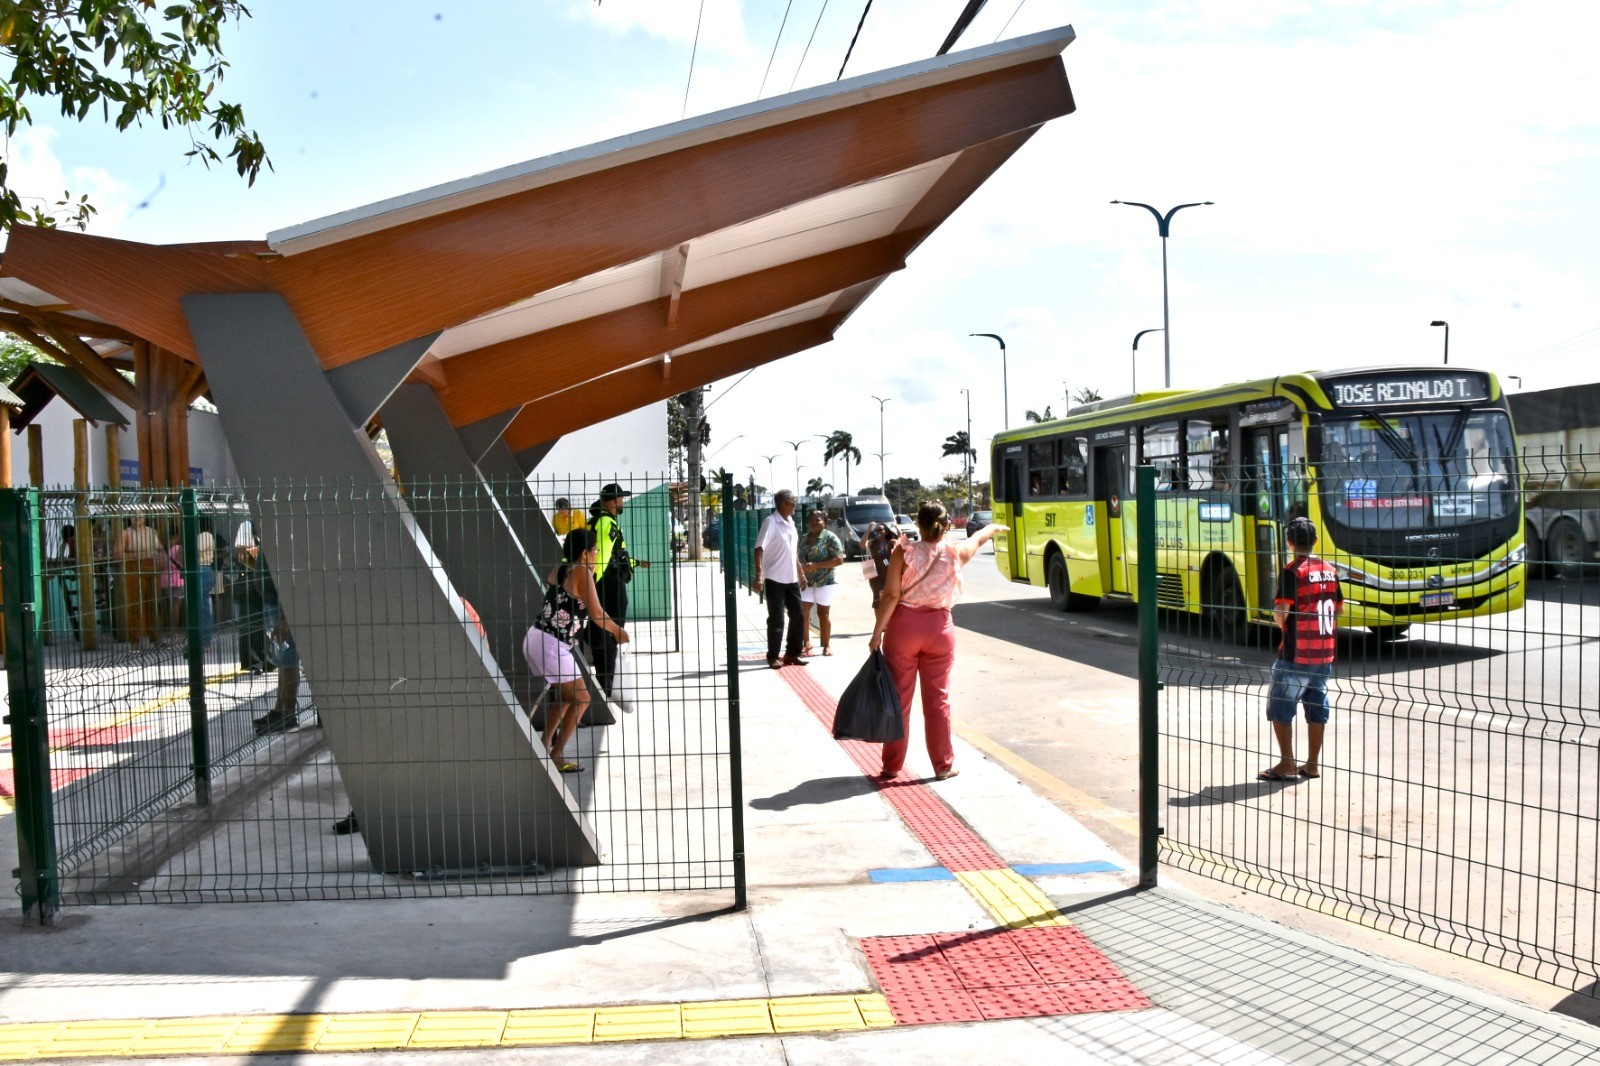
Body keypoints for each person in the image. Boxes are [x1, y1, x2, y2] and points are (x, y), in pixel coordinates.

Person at [869, 500, 1006, 781]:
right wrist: (992, 527)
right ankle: (943, 765)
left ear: (918, 524)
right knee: (938, 700)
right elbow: (977, 538)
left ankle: (892, 765)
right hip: (940, 630)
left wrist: (876, 633)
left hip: (904, 629)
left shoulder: (903, 552)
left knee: (899, 700)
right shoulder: (955, 553)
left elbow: (891, 595)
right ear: (946, 526)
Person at [524, 528, 629, 773]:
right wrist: (617, 631)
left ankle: (544, 746)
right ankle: (556, 756)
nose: (597, 554)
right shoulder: (582, 572)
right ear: (584, 553)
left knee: (567, 696)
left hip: (538, 637)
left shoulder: (560, 568)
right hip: (553, 645)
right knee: (582, 699)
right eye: (595, 550)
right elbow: (596, 613)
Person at [1258, 516, 1343, 782]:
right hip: (1324, 653)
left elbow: (1281, 612)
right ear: (1315, 540)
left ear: (1289, 543)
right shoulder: (1330, 570)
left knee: (1280, 706)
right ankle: (1312, 764)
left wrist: (1281, 620)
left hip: (1296, 653)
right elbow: (1339, 609)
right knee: (1317, 704)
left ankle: (1287, 762)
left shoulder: (1292, 571)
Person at [587, 483, 648, 695]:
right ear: (613, 500)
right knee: (608, 635)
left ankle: (606, 681)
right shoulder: (607, 524)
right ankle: (606, 684)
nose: (622, 501)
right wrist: (591, 585)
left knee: (604, 633)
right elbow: (601, 558)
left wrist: (636, 563)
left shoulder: (598, 521)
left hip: (605, 583)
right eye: (620, 498)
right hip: (608, 586)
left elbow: (616, 557)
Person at [753, 490, 806, 667]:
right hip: (774, 578)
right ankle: (773, 656)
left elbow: (792, 551)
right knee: (777, 619)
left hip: (791, 579)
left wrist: (801, 573)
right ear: (785, 503)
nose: (795, 504)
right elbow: (759, 548)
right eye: (793, 501)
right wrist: (759, 575)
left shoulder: (791, 522)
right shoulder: (770, 522)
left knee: (798, 615)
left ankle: (792, 653)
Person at [798, 509, 844, 655]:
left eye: (817, 520)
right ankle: (807, 643)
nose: (814, 522)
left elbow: (839, 560)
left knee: (822, 613)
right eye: (811, 520)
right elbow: (798, 557)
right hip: (807, 581)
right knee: (803, 612)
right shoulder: (804, 538)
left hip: (826, 581)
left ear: (824, 522)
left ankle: (826, 645)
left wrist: (816, 565)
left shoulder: (830, 538)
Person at [116, 513, 163, 644]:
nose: (138, 518)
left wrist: (160, 558)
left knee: (153, 603)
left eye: (140, 515)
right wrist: (137, 555)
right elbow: (118, 554)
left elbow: (160, 548)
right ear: (129, 518)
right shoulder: (125, 534)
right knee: (135, 605)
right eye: (134, 516)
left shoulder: (152, 531)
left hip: (153, 567)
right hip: (134, 568)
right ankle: (134, 641)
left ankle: (155, 637)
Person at [861, 521, 899, 609]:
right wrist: (868, 529)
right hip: (875, 575)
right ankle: (879, 617)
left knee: (890, 598)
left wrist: (897, 528)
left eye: (880, 530)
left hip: (889, 575)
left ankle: (888, 617)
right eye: (876, 530)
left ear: (885, 531)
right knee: (877, 599)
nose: (878, 532)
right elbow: (862, 544)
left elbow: (902, 544)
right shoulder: (872, 542)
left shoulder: (891, 542)